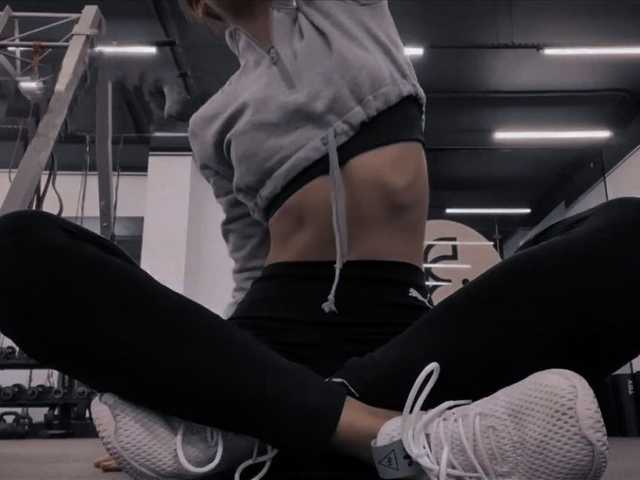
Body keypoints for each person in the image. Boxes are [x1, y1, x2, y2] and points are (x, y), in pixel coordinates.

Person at [0, 1, 638, 478]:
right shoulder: (211, 120)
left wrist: (222, 401)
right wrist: (208, 373)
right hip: (276, 330)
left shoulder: (348, 10)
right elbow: (249, 262)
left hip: (403, 335)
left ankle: (262, 430)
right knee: (17, 247)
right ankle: (386, 434)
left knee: (630, 234)